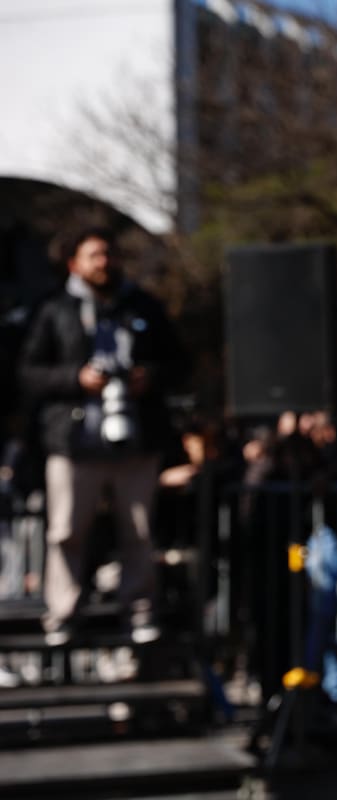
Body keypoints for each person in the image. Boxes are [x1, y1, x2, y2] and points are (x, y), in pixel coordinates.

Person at [18, 224, 189, 645]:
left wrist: (147, 377)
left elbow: (178, 363)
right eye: (94, 255)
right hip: (74, 439)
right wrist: (74, 378)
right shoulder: (55, 309)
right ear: (75, 263)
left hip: (135, 436)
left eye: (108, 254)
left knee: (139, 531)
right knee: (66, 530)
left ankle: (140, 609)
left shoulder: (142, 306)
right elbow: (27, 373)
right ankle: (63, 610)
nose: (104, 263)